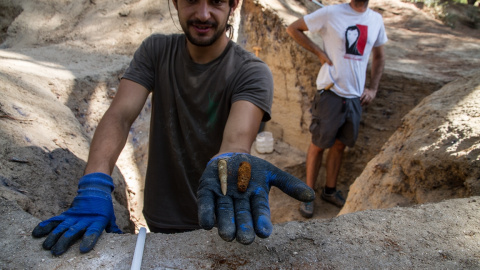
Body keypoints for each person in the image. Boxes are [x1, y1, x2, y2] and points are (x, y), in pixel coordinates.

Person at [31, 0, 314, 256]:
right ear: (175, 2)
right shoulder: (156, 51)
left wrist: (231, 161)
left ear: (233, 5)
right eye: (192, 0)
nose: (203, 14)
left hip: (218, 218)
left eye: (216, 2)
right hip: (160, 214)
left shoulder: (251, 72)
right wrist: (94, 184)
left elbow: (236, 141)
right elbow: (119, 115)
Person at [286, 0, 387, 218]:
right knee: (318, 144)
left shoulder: (376, 20)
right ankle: (307, 194)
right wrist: (319, 53)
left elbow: (379, 56)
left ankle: (329, 191)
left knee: (340, 146)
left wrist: (373, 88)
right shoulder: (331, 13)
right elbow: (293, 28)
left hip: (355, 97)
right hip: (331, 92)